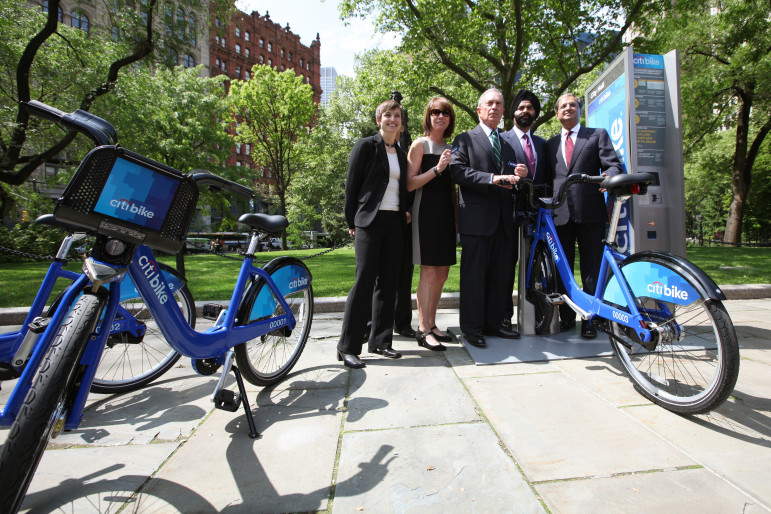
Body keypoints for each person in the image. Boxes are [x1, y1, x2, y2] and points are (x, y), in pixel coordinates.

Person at [450, 88, 529, 348]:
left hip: (505, 222)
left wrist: (518, 175)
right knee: (474, 276)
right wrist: (492, 179)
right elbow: (458, 171)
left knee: (501, 276)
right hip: (477, 220)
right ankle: (472, 328)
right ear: (479, 110)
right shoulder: (465, 139)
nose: (494, 107)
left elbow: (510, 180)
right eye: (489, 103)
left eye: (498, 104)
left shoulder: (507, 146)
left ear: (504, 111)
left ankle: (497, 323)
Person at [337, 99, 410, 368]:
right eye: (388, 115)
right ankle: (347, 347)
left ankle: (381, 341)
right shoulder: (366, 146)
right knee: (364, 281)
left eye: (397, 115)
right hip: (369, 221)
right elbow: (352, 185)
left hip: (395, 223)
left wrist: (406, 210)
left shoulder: (402, 154)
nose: (393, 119)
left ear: (401, 122)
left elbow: (404, 189)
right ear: (379, 119)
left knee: (389, 283)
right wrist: (351, 220)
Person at [546, 93, 623, 338]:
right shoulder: (549, 144)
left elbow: (612, 164)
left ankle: (592, 319)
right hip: (559, 214)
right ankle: (567, 317)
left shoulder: (596, 135)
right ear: (556, 113)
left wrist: (610, 176)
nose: (568, 108)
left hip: (590, 211)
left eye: (573, 105)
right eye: (563, 106)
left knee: (593, 269)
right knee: (562, 268)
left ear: (580, 110)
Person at [406, 98, 458, 351]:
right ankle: (423, 329)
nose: (440, 116)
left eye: (445, 112)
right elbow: (409, 183)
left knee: (443, 273)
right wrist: (437, 169)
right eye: (435, 112)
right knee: (428, 271)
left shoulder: (451, 147)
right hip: (424, 212)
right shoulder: (419, 144)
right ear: (428, 116)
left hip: (446, 215)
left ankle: (433, 323)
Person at [500, 89, 551, 330]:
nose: (524, 112)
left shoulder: (543, 144)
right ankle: (504, 317)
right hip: (508, 213)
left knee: (537, 267)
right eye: (520, 108)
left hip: (537, 215)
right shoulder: (501, 140)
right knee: (506, 267)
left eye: (529, 108)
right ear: (513, 113)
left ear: (535, 113)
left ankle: (539, 314)